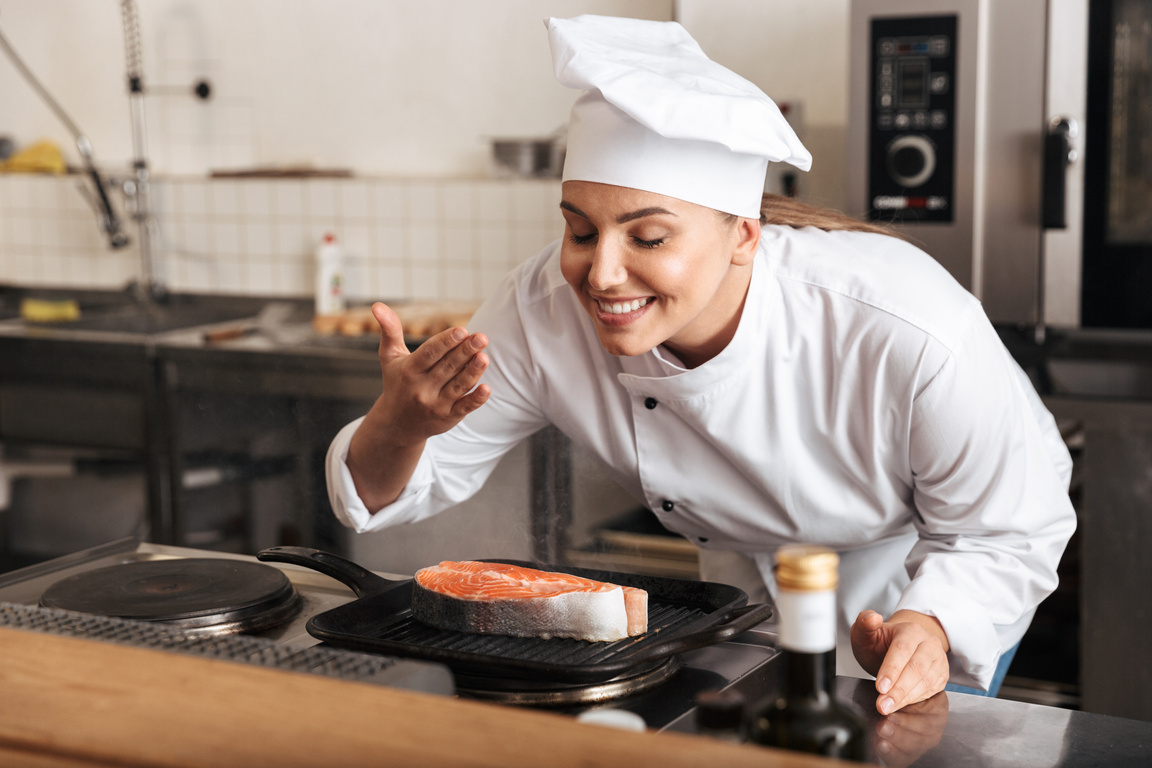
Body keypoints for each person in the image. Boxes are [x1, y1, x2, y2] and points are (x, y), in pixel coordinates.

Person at [325, 15, 1076, 716]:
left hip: (920, 573)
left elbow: (1006, 528)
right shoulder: (542, 310)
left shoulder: (901, 323)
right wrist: (398, 425)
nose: (602, 275)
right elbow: (401, 487)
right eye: (580, 231)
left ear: (743, 237)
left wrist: (934, 625)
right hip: (742, 579)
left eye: (647, 238)